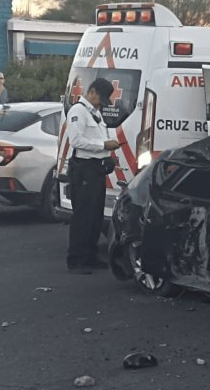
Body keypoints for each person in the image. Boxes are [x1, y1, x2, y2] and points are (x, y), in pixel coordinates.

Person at [66, 78, 120, 274]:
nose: (101, 103)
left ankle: (90, 255)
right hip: (84, 169)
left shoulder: (94, 113)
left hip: (96, 168)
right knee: (83, 214)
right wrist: (103, 146)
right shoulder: (78, 111)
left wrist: (108, 153)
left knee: (95, 214)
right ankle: (77, 258)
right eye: (101, 98)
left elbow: (98, 137)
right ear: (93, 91)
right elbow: (77, 140)